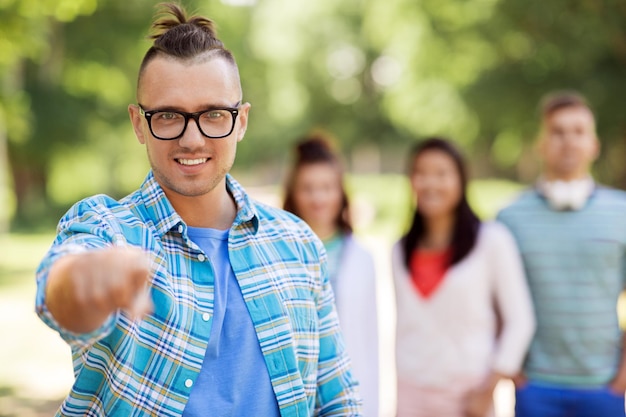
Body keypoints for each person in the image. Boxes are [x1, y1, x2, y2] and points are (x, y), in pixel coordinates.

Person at [34, 4, 362, 416]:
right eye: (168, 116)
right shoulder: (107, 229)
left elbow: (337, 398)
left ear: (241, 121)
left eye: (213, 114)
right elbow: (60, 292)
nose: (192, 139)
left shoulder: (298, 243)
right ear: (138, 123)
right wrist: (79, 282)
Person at [497, 91, 626, 417]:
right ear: (540, 144)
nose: (568, 141)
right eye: (557, 132)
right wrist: (515, 372)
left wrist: (623, 375)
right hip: (535, 387)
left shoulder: (622, 214)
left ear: (594, 145)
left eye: (578, 132)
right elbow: (494, 300)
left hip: (605, 387)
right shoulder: (510, 218)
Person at [392, 138, 535, 417]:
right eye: (421, 173)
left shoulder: (492, 241)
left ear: (461, 180)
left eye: (442, 174)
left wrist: (490, 388)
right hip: (410, 394)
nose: (430, 183)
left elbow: (521, 321)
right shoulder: (399, 250)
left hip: (469, 397)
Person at [283, 134, 380, 416]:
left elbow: (369, 341)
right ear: (293, 193)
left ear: (341, 192)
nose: (318, 198)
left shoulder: (363, 258)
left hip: (345, 395)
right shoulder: (279, 251)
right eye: (307, 188)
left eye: (327, 187)